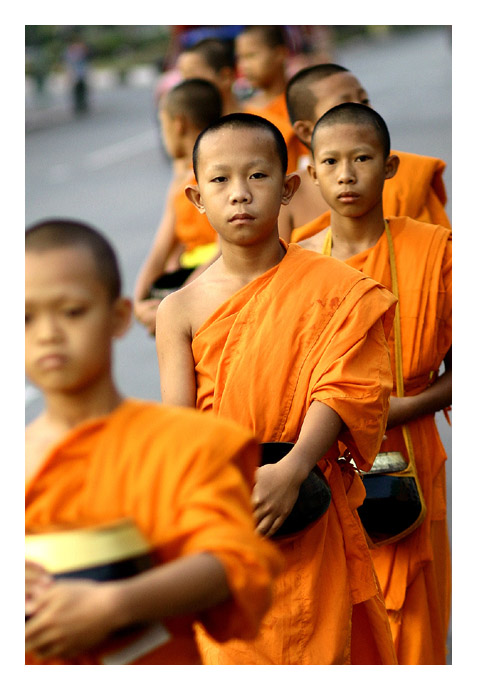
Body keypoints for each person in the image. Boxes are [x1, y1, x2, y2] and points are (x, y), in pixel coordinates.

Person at [155, 113, 399, 665]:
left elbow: (347, 386)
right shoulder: (181, 309)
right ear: (196, 196)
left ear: (288, 188)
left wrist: (293, 469)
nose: (240, 194)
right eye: (220, 180)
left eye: (258, 176)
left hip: (309, 499)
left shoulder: (334, 287)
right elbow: (180, 422)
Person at [25, 218, 282, 665]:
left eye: (71, 311)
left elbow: (233, 561)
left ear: (119, 317)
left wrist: (114, 605)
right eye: (24, 318)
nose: (47, 333)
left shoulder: (182, 443)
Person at [302, 102, 452, 664]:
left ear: (389, 167)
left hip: (407, 462)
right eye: (332, 162)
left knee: (411, 632)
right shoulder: (297, 265)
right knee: (336, 630)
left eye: (362, 159)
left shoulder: (436, 252)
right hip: (323, 470)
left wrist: (399, 409)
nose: (346, 175)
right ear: (312, 174)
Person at [279, 63, 451, 240]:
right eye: (344, 106)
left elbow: (434, 253)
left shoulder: (409, 177)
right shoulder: (287, 198)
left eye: (364, 101)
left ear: (389, 168)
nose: (360, 112)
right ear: (306, 131)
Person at [134, 78, 222, 335]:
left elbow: (225, 251)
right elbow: (161, 249)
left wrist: (178, 302)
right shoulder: (180, 183)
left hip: (211, 285)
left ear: (178, 124)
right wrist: (140, 302)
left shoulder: (218, 178)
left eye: (162, 126)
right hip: (187, 285)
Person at [235, 26, 308, 174]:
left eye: (251, 55)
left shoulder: (303, 100)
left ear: (280, 53)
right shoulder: (246, 113)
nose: (243, 66)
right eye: (240, 58)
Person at [176, 38, 242, 115]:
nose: (184, 88)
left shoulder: (255, 119)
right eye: (183, 80)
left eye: (193, 80)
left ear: (225, 77)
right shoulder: (192, 125)